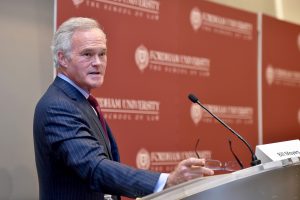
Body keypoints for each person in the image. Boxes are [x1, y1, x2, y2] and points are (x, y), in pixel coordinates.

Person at [33, 17, 214, 200]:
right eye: (87, 54)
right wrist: (165, 181)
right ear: (63, 58)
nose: (97, 62)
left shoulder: (80, 101)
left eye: (102, 54)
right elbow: (94, 167)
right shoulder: (58, 106)